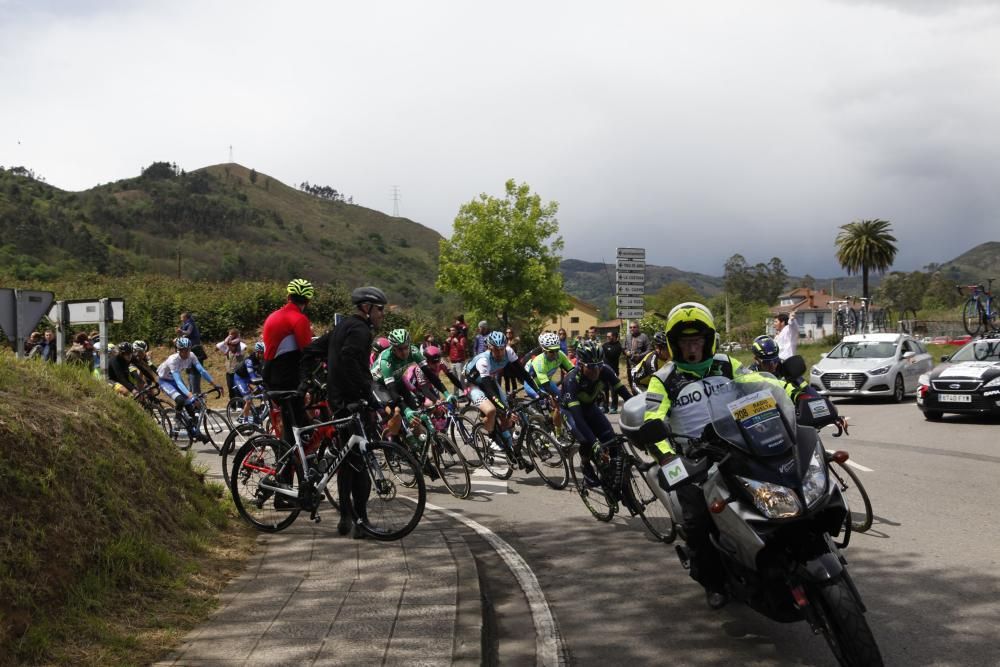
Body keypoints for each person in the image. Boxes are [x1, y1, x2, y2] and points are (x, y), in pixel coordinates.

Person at [639, 302, 790, 610]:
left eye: (697, 340)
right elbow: (653, 418)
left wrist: (792, 392)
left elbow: (757, 383)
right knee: (697, 522)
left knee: (780, 489)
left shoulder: (726, 365)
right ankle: (713, 581)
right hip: (695, 460)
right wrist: (668, 457)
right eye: (685, 341)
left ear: (708, 340)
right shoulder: (664, 379)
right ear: (675, 344)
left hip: (739, 445)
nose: (692, 346)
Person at [324, 285, 388, 538]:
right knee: (360, 463)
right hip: (352, 403)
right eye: (380, 309)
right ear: (367, 308)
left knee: (347, 461)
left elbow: (317, 349)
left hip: (338, 400)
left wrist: (308, 381)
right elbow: (350, 359)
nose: (382, 314)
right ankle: (361, 522)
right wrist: (368, 393)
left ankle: (345, 517)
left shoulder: (344, 325)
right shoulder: (360, 330)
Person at [463, 331, 541, 471]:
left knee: (506, 416)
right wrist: (505, 410)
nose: (499, 353)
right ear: (489, 348)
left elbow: (522, 373)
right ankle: (491, 437)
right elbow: (490, 391)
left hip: (489, 380)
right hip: (472, 384)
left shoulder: (509, 352)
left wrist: (538, 390)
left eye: (501, 349)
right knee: (492, 410)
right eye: (496, 350)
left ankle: (511, 452)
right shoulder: (483, 361)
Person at [561, 340, 632, 487]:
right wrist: (594, 443)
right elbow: (578, 418)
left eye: (598, 365)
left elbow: (624, 394)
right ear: (580, 365)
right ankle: (586, 465)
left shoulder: (604, 370)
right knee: (587, 440)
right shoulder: (571, 380)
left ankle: (614, 476)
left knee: (611, 439)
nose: (596, 371)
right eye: (591, 367)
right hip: (572, 412)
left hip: (590, 407)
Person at [261, 279, 315, 448]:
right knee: (299, 429)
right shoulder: (299, 319)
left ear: (288, 296)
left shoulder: (273, 316)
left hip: (270, 375)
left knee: (293, 425)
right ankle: (286, 469)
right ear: (307, 300)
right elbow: (308, 353)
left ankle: (292, 463)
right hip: (286, 377)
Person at [157, 337, 221, 441]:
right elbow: (178, 381)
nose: (187, 352)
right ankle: (177, 418)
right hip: (165, 381)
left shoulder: (191, 355)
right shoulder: (173, 360)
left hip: (175, 379)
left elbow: (202, 371)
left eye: (188, 349)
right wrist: (190, 395)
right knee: (181, 400)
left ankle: (195, 433)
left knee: (191, 408)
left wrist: (214, 384)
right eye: (184, 350)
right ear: (179, 350)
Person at [233, 341, 265, 424]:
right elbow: (253, 377)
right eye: (262, 353)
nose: (263, 355)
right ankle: (245, 420)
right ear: (257, 352)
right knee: (248, 400)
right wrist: (260, 385)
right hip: (240, 378)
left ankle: (258, 411)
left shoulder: (261, 359)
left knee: (265, 389)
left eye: (264, 353)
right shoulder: (249, 361)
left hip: (248, 376)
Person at [177, 312, 207, 395]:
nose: (180, 319)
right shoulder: (185, 324)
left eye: (182, 317)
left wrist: (181, 331)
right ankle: (192, 394)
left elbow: (188, 333)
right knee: (190, 372)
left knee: (195, 372)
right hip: (190, 349)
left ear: (185, 317)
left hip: (195, 348)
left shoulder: (190, 324)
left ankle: (196, 395)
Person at [216, 329, 247, 400]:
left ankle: (240, 404)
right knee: (230, 388)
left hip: (237, 372)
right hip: (229, 372)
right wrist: (229, 338)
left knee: (237, 388)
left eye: (231, 334)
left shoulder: (240, 346)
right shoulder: (228, 349)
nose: (230, 347)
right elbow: (220, 344)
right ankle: (232, 404)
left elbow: (244, 346)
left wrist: (233, 341)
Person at [601, 331, 624, 413]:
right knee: (604, 389)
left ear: (614, 337)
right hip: (603, 370)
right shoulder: (605, 345)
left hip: (613, 371)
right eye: (607, 336)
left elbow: (612, 355)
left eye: (609, 336)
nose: (607, 337)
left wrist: (604, 349)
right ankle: (605, 406)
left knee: (613, 389)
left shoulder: (618, 346)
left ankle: (614, 407)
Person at [443, 325, 467, 391]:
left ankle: (463, 394)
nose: (451, 332)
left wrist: (457, 342)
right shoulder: (450, 339)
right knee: (454, 379)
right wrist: (446, 343)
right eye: (450, 330)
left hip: (460, 361)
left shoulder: (461, 338)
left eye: (453, 330)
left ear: (457, 331)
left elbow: (462, 348)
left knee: (461, 379)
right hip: (452, 361)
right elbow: (445, 351)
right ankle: (457, 394)